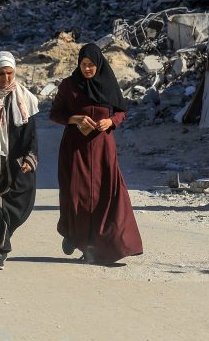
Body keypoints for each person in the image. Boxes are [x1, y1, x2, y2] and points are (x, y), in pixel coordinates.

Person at [50, 43, 143, 264]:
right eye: (83, 64)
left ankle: (111, 246)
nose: (87, 69)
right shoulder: (69, 85)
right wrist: (74, 119)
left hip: (103, 150)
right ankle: (78, 238)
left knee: (106, 196)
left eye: (91, 65)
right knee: (78, 196)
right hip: (76, 150)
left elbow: (121, 111)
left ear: (99, 65)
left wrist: (110, 121)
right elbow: (54, 114)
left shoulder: (108, 84)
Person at [0, 51, 39, 270]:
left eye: (9, 73)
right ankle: (0, 251)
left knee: (6, 207)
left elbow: (31, 136)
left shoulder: (26, 99)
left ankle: (0, 245)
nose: (5, 78)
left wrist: (29, 159)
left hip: (16, 164)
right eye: (0, 74)